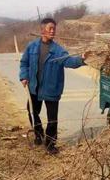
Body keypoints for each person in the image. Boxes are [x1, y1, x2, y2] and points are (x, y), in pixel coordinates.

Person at [19, 18, 87, 154]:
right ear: (42, 30)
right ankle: (38, 135)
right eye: (50, 28)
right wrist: (24, 76)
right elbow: (24, 63)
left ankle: (50, 144)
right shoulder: (32, 47)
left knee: (52, 119)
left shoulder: (58, 50)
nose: (52, 31)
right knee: (32, 112)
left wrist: (81, 59)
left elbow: (69, 61)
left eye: (54, 29)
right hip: (34, 87)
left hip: (51, 89)